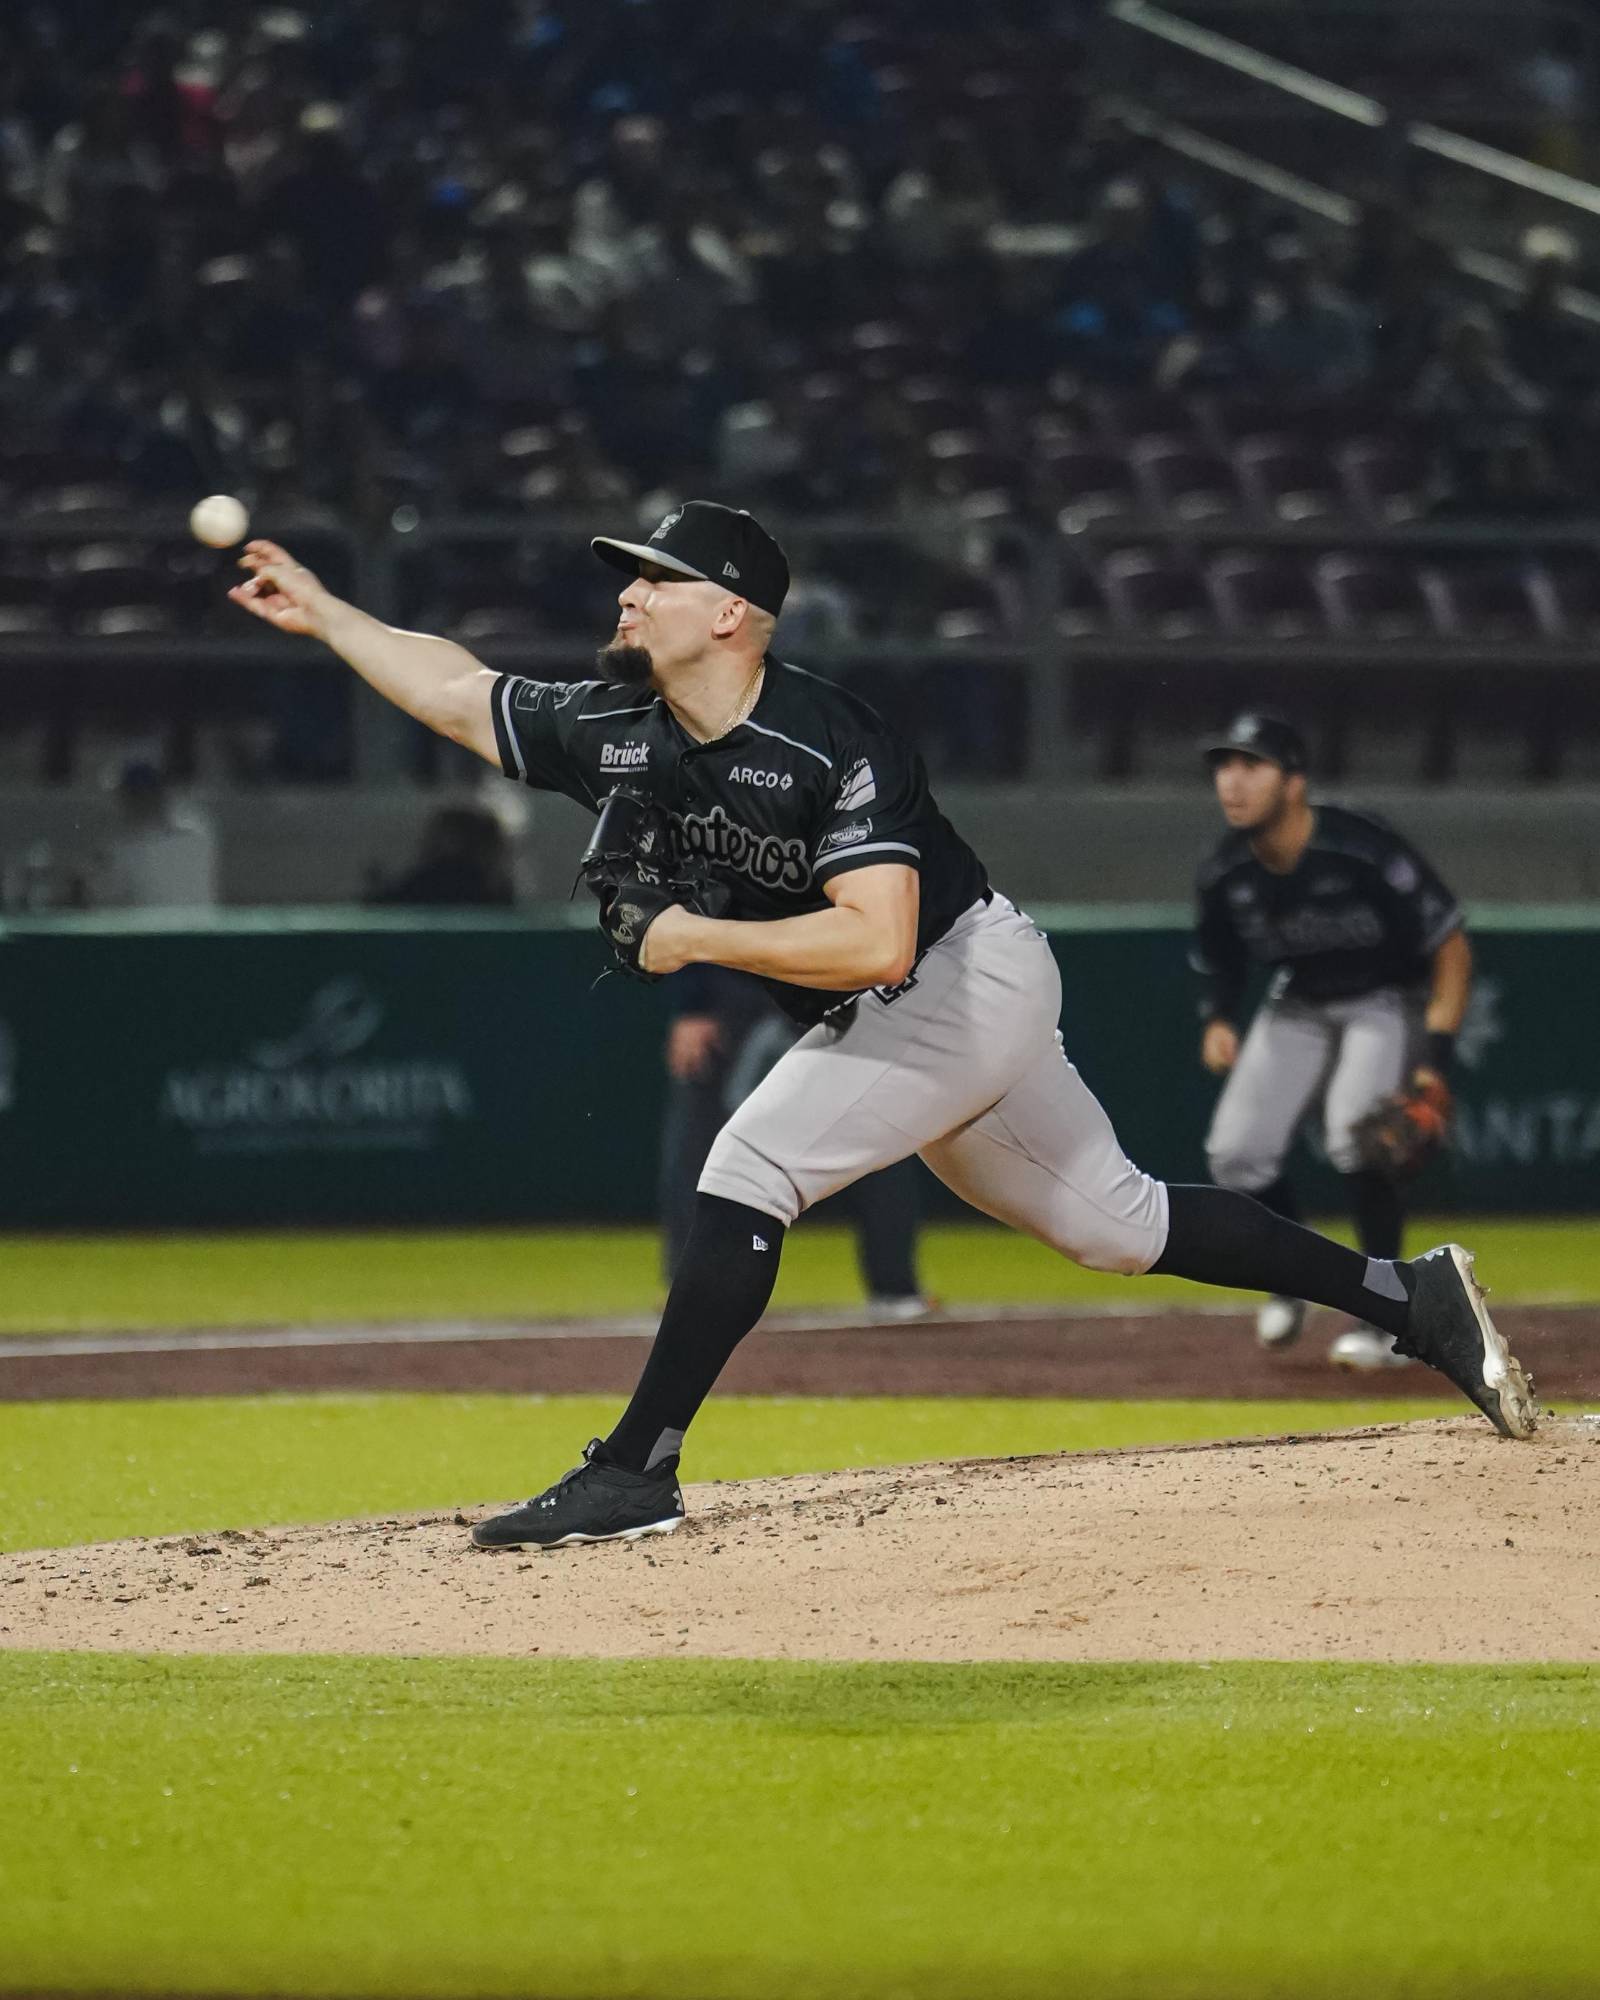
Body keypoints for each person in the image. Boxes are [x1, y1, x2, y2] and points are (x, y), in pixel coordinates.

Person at [228, 502, 1537, 1551]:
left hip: (964, 979)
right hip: (918, 1007)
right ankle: (1406, 1297)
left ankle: (638, 1466)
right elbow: (459, 693)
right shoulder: (618, 731)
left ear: (730, 612)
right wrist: (331, 612)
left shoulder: (827, 738)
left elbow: (880, 941)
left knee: (748, 1167)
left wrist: (692, 939)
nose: (625, 593)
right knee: (1116, 1224)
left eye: (656, 577)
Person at [1192, 713, 1471, 1368]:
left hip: (1383, 998)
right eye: (1223, 767)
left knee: (1357, 1136)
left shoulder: (1360, 846)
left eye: (1250, 765)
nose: (1231, 782)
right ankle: (1294, 1275)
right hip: (1299, 1001)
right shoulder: (1227, 871)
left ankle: (1393, 1319)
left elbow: (1451, 949)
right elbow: (1220, 957)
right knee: (1235, 1155)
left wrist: (1434, 1062)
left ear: (1294, 782)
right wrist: (1219, 1017)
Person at [660, 964, 930, 1314]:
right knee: (704, 1146)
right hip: (738, 988)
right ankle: (693, 1294)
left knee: (875, 1131)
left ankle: (895, 1286)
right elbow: (692, 913)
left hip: (833, 984)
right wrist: (694, 1006)